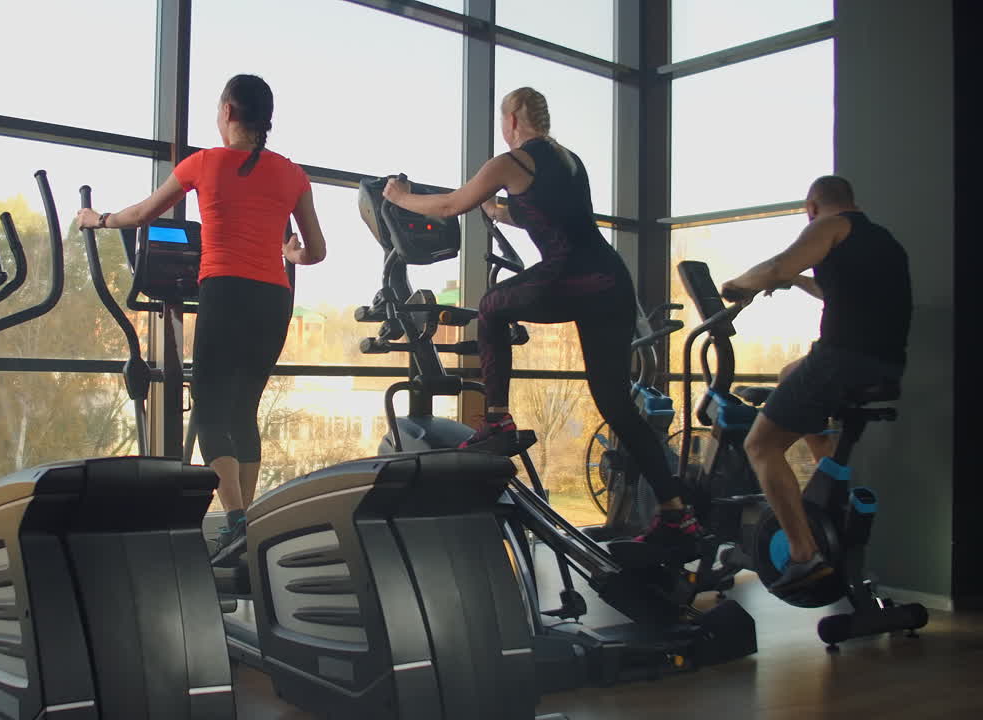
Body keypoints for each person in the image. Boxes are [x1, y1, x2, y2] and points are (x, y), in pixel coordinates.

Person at [382, 86, 699, 559]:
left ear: (511, 120)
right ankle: (677, 513)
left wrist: (401, 197)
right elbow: (553, 213)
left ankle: (497, 421)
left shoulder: (511, 161)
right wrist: (497, 210)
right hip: (609, 282)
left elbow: (450, 205)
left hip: (571, 274)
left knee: (491, 306)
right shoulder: (568, 159)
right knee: (616, 405)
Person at [78, 74, 327, 564]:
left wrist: (97, 219)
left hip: (226, 292)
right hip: (274, 299)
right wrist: (288, 253)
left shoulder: (205, 164)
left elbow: (144, 212)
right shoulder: (292, 175)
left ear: (230, 112)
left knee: (211, 409)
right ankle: (247, 528)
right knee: (243, 412)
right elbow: (315, 251)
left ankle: (236, 524)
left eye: (218, 110)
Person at [721, 175, 911, 597]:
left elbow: (777, 265)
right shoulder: (881, 239)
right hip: (884, 365)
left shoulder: (828, 225)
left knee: (762, 446)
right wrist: (797, 282)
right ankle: (825, 483)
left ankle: (804, 554)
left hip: (842, 359)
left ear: (812, 206)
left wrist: (739, 284)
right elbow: (831, 289)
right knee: (792, 374)